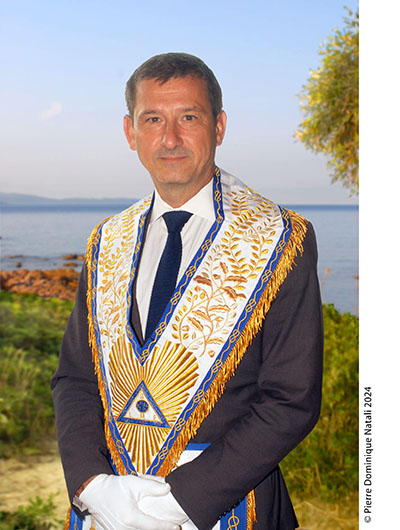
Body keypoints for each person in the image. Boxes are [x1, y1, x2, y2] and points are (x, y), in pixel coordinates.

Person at [51, 52, 323, 530]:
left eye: (189, 118)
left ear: (219, 127)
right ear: (130, 132)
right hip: (108, 508)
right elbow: (75, 379)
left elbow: (291, 399)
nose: (170, 138)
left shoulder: (280, 237)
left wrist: (176, 504)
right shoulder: (106, 240)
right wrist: (91, 485)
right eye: (153, 119)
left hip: (224, 505)